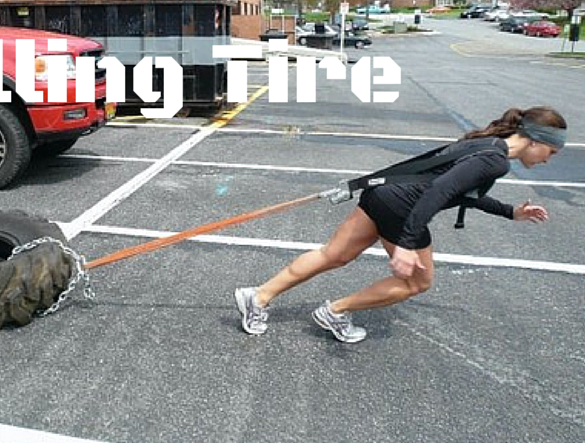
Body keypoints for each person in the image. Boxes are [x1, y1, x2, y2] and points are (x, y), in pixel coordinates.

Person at [235, 106, 567, 343]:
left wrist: (510, 211)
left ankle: (258, 297)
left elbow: (460, 191)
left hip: (383, 196)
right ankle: (336, 311)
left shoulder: (488, 145)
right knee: (417, 283)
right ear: (534, 140)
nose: (548, 159)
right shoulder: (495, 161)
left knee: (332, 255)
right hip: (404, 209)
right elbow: (441, 190)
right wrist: (407, 243)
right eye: (550, 151)